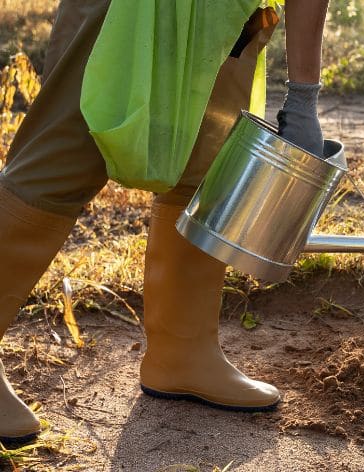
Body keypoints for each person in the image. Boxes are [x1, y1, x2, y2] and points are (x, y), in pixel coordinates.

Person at [0, 0, 330, 446]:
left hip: (223, 18)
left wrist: (304, 97)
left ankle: (183, 352)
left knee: (201, 172)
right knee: (59, 165)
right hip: (122, 11)